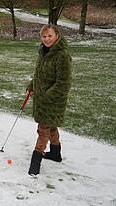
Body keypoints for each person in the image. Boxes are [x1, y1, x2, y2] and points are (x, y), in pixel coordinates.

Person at [27, 24, 72, 176]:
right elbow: (38, 73)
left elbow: (63, 83)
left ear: (57, 36)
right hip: (42, 98)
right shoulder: (43, 52)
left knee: (43, 129)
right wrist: (32, 85)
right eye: (44, 36)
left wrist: (47, 96)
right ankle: (55, 154)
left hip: (53, 101)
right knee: (51, 127)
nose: (46, 39)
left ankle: (35, 164)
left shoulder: (62, 55)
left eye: (50, 36)